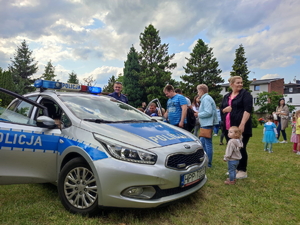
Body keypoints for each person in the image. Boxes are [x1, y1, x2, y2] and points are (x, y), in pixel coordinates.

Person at [220, 76, 252, 179]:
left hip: (240, 127)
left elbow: (247, 110)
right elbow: (222, 109)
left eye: (241, 82)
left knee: (240, 148)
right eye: (238, 83)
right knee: (231, 148)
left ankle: (242, 170)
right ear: (231, 84)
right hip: (228, 128)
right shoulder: (226, 96)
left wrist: (242, 124)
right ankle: (235, 169)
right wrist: (225, 110)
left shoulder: (245, 95)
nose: (240, 84)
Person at [197, 84, 218, 168]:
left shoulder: (206, 99)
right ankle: (203, 160)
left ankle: (208, 163)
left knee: (207, 144)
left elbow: (208, 112)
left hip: (207, 124)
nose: (198, 93)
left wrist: (198, 114)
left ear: (201, 91)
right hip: (206, 124)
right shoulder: (206, 98)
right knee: (201, 143)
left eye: (198, 91)